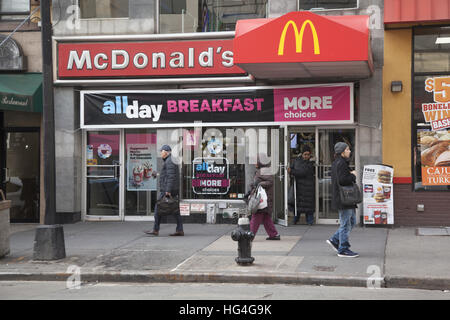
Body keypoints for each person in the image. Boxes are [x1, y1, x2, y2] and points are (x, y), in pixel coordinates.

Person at [326, 142, 359, 258]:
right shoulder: (341, 163)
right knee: (345, 224)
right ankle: (343, 249)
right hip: (344, 198)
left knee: (352, 221)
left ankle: (335, 239)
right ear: (342, 151)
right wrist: (353, 175)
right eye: (348, 149)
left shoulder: (338, 162)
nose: (349, 151)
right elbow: (343, 180)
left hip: (344, 198)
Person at [144, 145, 184, 236]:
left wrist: (167, 190)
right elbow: (167, 175)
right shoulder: (169, 160)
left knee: (158, 209)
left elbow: (171, 177)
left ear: (166, 152)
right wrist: (157, 174)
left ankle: (155, 230)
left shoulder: (169, 161)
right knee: (175, 210)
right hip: (171, 189)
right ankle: (180, 229)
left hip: (168, 190)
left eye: (161, 151)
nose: (160, 153)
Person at [249, 157, 280, 240]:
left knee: (256, 217)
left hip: (262, 199)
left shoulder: (265, 171)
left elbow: (270, 182)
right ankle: (274, 234)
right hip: (264, 199)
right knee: (266, 218)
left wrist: (259, 183)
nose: (255, 163)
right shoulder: (263, 170)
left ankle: (250, 235)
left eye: (256, 161)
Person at [288, 145, 315, 225]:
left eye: (308, 154)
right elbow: (292, 168)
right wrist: (291, 171)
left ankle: (309, 221)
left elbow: (303, 172)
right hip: (299, 186)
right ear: (302, 154)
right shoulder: (296, 161)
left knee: (308, 206)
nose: (306, 156)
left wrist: (291, 171)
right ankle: (296, 219)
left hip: (308, 188)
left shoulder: (310, 163)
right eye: (305, 154)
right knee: (298, 205)